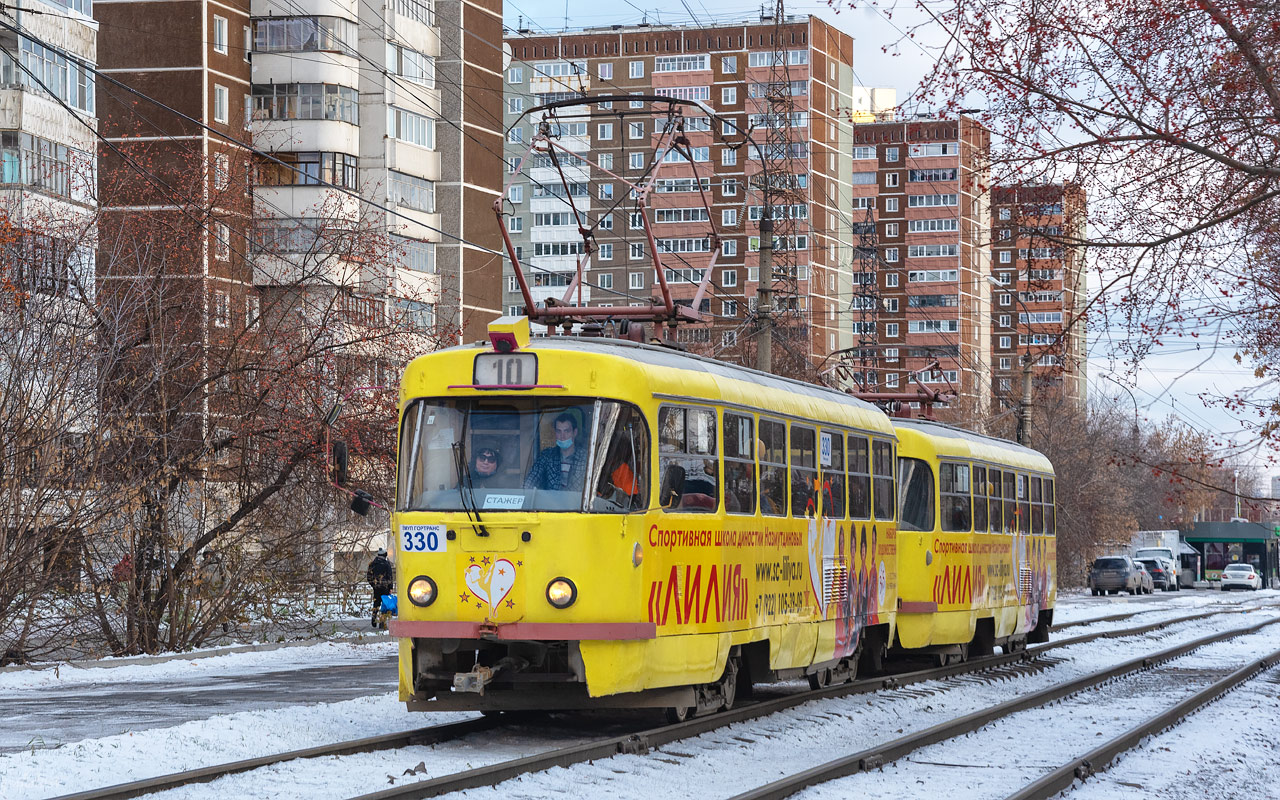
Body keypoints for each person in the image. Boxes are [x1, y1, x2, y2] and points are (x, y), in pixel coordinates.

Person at [524, 412, 589, 492]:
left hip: (578, 504)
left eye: (567, 431)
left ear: (575, 432)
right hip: (550, 503)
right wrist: (525, 492)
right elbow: (532, 478)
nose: (562, 436)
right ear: (555, 433)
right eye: (559, 431)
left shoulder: (586, 458)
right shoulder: (548, 455)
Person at [366, 548, 393, 629]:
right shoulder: (386, 564)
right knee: (385, 605)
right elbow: (390, 576)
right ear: (385, 554)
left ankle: (374, 618)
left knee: (376, 603)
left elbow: (368, 576)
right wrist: (390, 587)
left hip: (376, 587)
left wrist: (373, 584)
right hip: (385, 587)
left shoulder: (372, 564)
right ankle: (382, 622)